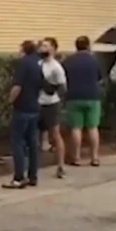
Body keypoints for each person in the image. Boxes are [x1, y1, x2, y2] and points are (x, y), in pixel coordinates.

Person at [3, 40, 43, 189]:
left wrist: (9, 101)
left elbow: (17, 86)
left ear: (24, 49)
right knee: (32, 142)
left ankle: (19, 177)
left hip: (22, 107)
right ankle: (33, 176)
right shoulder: (38, 63)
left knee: (18, 141)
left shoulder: (24, 63)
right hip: (34, 106)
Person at [62, 36, 103, 167]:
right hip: (92, 96)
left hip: (73, 96)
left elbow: (63, 78)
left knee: (76, 128)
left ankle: (76, 157)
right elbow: (100, 78)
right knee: (92, 127)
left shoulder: (68, 61)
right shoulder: (94, 60)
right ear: (88, 46)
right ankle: (94, 157)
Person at [36, 38, 67, 178]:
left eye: (46, 46)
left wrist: (52, 90)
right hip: (37, 103)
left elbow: (62, 87)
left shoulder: (56, 67)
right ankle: (34, 166)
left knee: (55, 134)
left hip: (51, 104)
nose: (43, 48)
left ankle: (60, 166)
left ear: (53, 49)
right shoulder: (38, 63)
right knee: (35, 135)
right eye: (42, 46)